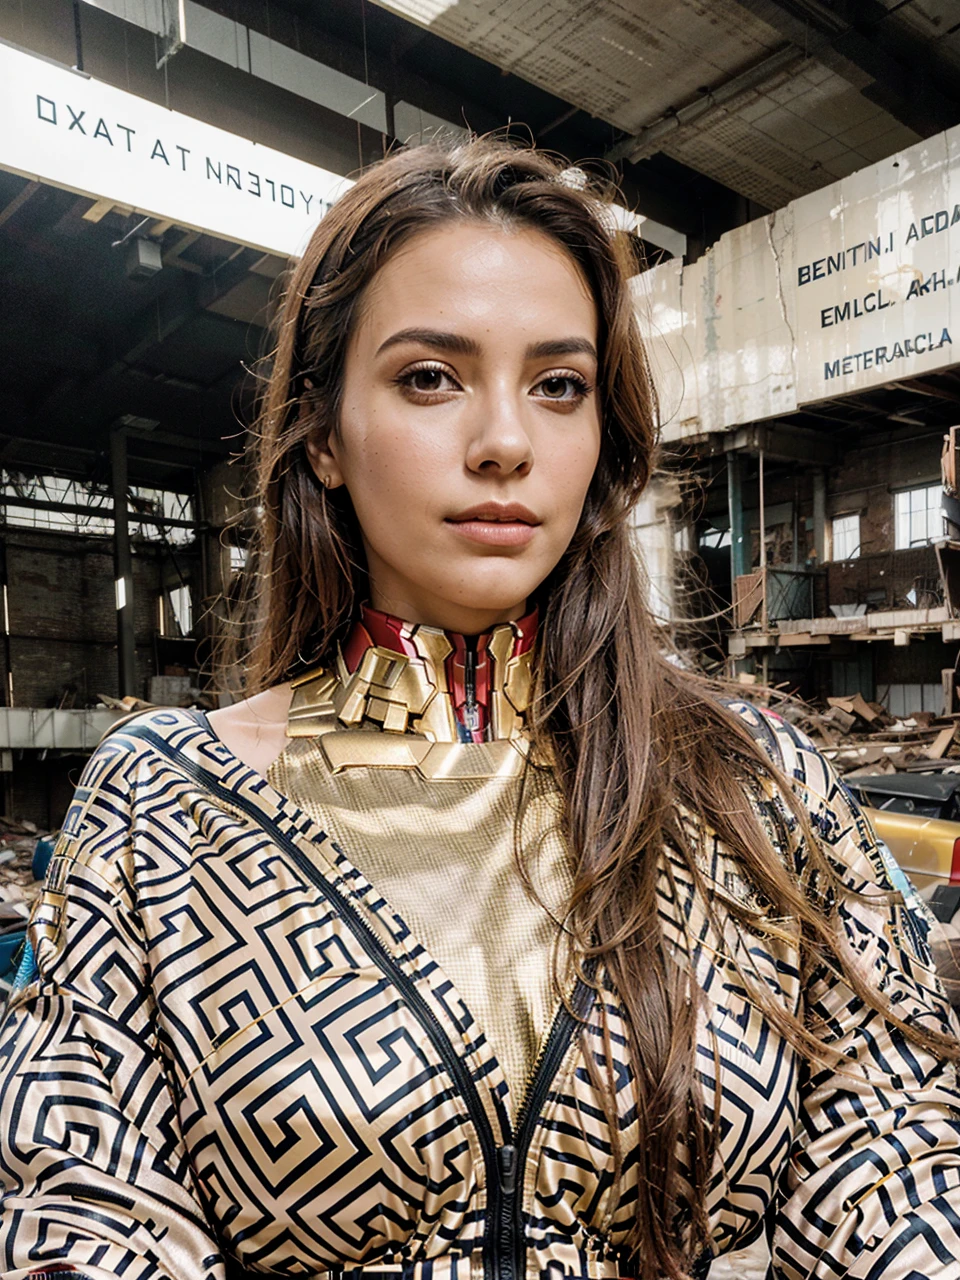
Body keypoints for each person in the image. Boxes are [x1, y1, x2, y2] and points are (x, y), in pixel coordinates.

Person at [1, 138, 959, 1280]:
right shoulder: (163, 807)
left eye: (559, 385)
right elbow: (85, 1220)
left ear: (604, 433)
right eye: (429, 377)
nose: (506, 441)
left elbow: (895, 1162)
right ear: (322, 434)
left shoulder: (760, 781)